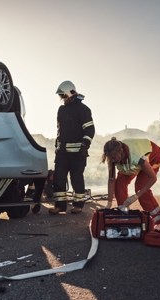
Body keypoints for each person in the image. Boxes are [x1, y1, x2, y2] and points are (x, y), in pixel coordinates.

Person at [101, 137, 160, 230]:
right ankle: (124, 215)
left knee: (140, 187)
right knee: (119, 183)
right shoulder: (113, 156)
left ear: (121, 151)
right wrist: (109, 202)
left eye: (113, 158)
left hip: (153, 156)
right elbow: (111, 179)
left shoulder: (137, 157)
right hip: (131, 161)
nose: (112, 161)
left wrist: (136, 196)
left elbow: (152, 178)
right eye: (110, 159)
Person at [49, 81, 95, 215]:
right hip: (62, 153)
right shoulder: (62, 110)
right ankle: (60, 206)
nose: (62, 99)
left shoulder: (83, 109)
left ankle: (78, 205)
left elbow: (90, 129)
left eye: (63, 96)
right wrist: (57, 147)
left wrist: (85, 145)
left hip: (77, 153)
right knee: (59, 178)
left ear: (70, 93)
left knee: (76, 178)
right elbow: (60, 131)